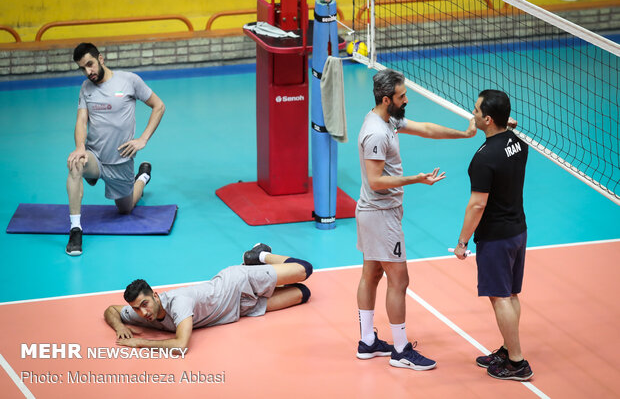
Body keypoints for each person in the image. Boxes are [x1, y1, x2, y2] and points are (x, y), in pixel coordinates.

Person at [356, 69, 477, 370]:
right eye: (401, 96)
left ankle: (367, 342)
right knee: (400, 280)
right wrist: (416, 179)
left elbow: (425, 128)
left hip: (377, 213)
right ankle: (400, 351)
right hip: (380, 214)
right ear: (387, 99)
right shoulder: (376, 132)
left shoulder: (388, 118)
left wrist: (464, 134)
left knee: (371, 275)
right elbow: (375, 180)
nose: (406, 100)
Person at [453, 90, 532, 381]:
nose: (471, 114)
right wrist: (504, 126)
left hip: (496, 237)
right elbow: (508, 133)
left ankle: (517, 362)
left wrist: (462, 243)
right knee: (510, 295)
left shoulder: (483, 158)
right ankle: (507, 347)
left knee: (500, 298)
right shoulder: (519, 145)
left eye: (475, 111)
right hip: (518, 230)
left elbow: (477, 204)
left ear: (487, 119)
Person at [103, 243, 312, 350]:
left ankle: (257, 257)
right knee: (303, 294)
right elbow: (111, 310)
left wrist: (140, 343)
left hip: (237, 283)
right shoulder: (140, 313)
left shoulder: (179, 303)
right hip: (240, 309)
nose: (143, 312)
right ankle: (268, 274)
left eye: (145, 304)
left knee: (305, 269)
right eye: (137, 308)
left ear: (156, 297)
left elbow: (180, 345)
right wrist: (120, 327)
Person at [66, 42, 165, 256]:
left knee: (125, 209)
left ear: (101, 58)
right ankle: (75, 229)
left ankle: (142, 178)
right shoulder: (85, 88)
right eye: (82, 68)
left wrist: (143, 139)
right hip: (95, 158)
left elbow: (159, 106)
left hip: (120, 162)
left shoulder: (129, 81)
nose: (88, 72)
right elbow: (82, 120)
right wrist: (80, 147)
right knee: (75, 164)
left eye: (90, 65)